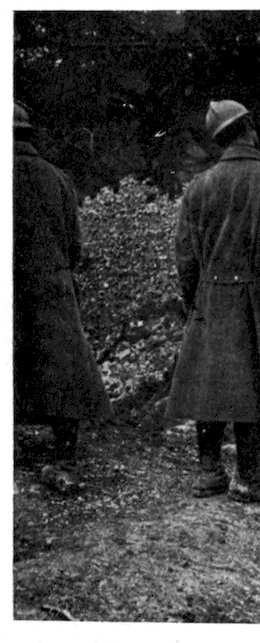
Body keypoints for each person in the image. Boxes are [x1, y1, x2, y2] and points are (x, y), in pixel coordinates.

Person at [167, 99, 260, 503]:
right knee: (254, 384)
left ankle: (209, 471)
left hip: (210, 296)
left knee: (209, 381)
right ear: (249, 129)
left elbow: (185, 255)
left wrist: (194, 301)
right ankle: (248, 476)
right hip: (257, 300)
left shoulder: (198, 187)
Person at [13, 102, 113, 493]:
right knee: (63, 367)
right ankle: (65, 457)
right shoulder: (57, 178)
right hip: (53, 286)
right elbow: (75, 247)